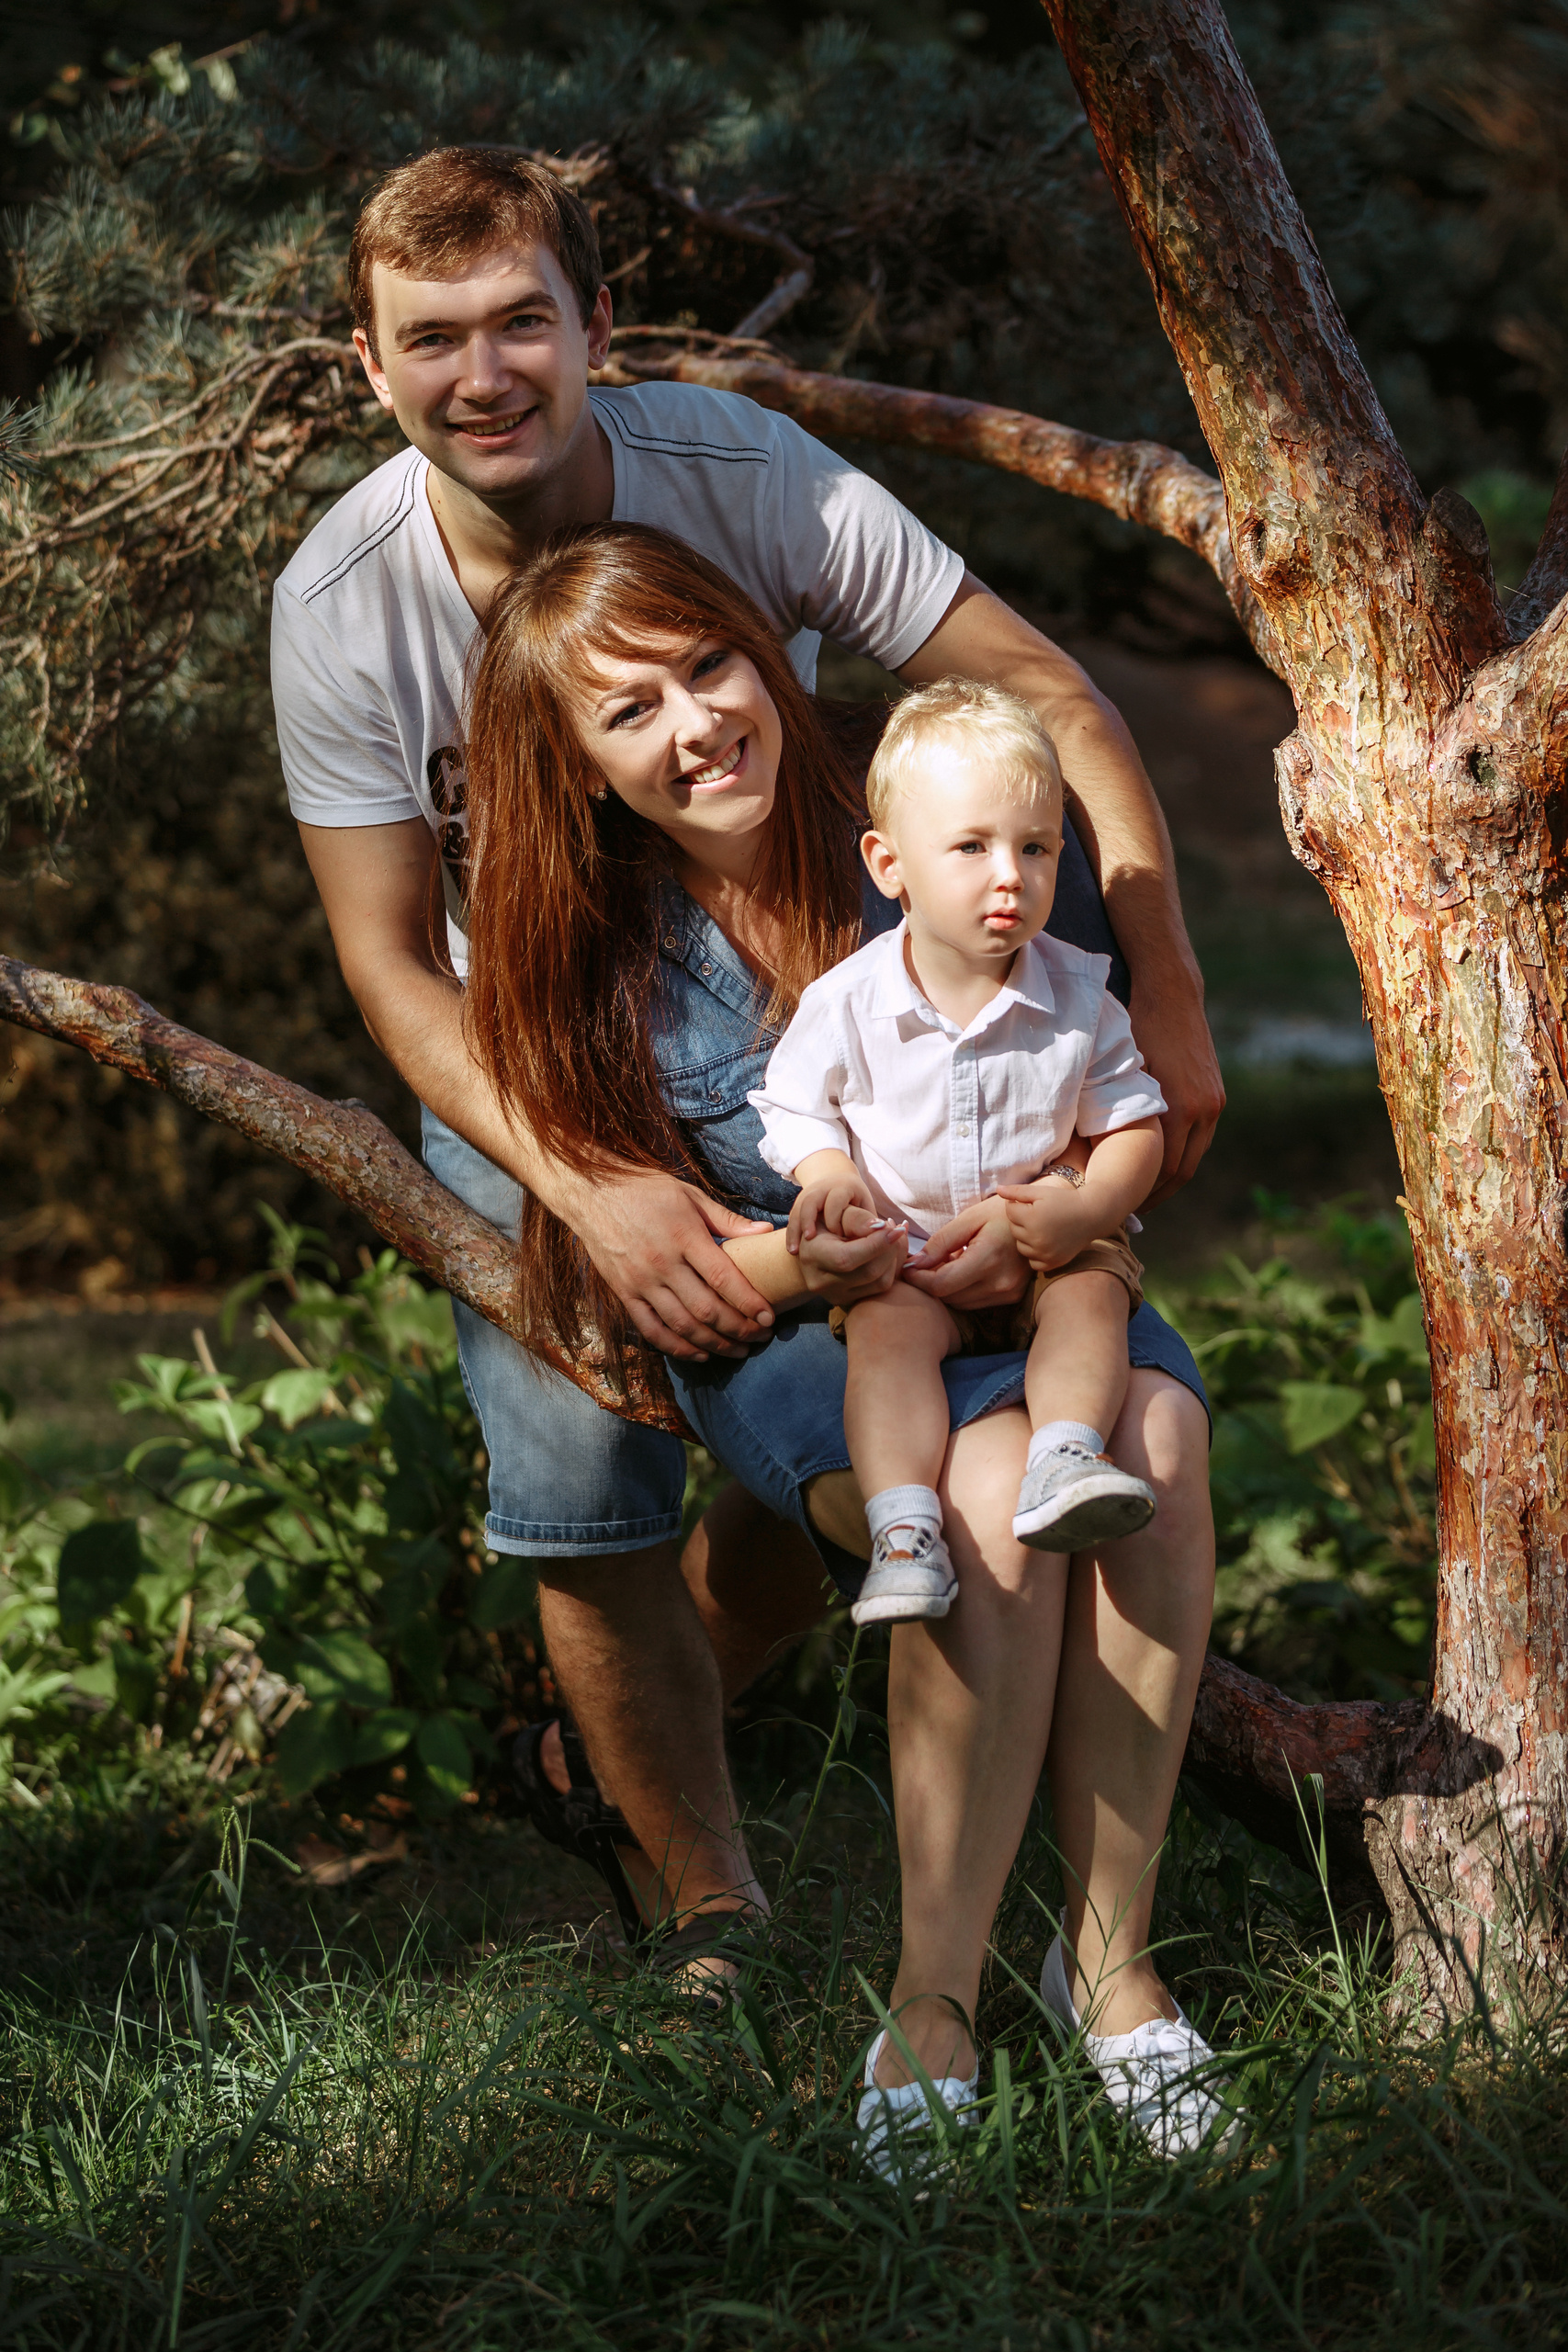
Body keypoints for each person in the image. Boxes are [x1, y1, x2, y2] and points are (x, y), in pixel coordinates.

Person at [271, 145, 1223, 2057]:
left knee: (889, 1450)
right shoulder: (344, 606)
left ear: (595, 326)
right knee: (581, 1474)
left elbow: (1048, 700)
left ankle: (656, 1741)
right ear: (369, 366)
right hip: (528, 1031)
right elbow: (392, 965)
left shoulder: (744, 476)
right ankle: (705, 1892)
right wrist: (588, 1185)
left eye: (521, 322)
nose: (483, 374)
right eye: (432, 339)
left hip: (798, 967)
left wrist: (1165, 995)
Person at [457, 521, 1231, 2165]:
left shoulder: (930, 813)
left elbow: (1098, 1102)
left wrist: (1063, 1222)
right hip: (805, 1325)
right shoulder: (590, 955)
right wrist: (819, 1251)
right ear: (579, 765)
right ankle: (929, 2004)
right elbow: (654, 1270)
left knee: (1156, 1452)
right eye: (630, 711)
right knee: (982, 1505)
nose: (695, 724)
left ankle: (1110, 1966)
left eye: (709, 667)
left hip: (1033, 1278)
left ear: (765, 659)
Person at [750, 679, 1167, 1630]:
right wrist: (829, 1174)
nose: (1009, 875)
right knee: (884, 1340)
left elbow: (1131, 1125)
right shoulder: (848, 1002)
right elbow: (794, 1106)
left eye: (1036, 847)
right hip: (910, 1258)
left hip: (1046, 1241)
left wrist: (1088, 1209)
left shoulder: (1079, 995)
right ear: (888, 864)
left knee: (1092, 1292)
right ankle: (904, 1532)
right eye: (971, 847)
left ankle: (1065, 1456)